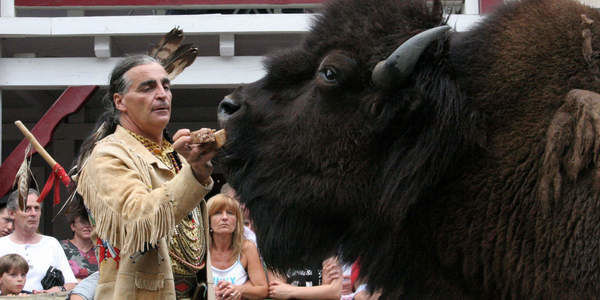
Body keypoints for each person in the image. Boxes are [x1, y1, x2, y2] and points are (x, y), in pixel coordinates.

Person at [72, 54, 217, 300]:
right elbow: (138, 222)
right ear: (120, 101)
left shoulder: (176, 156)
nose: (162, 94)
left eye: (166, 86)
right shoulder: (108, 155)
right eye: (148, 88)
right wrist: (192, 173)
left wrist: (198, 168)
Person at [0, 188, 77, 293]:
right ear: (12, 213)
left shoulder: (51, 244)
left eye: (37, 208)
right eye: (27, 208)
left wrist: (58, 289)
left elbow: (71, 283)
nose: (33, 213)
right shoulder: (2, 245)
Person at [207, 194, 267, 300]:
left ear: (237, 221)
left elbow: (262, 289)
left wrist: (239, 289)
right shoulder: (200, 249)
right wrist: (209, 292)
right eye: (217, 213)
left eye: (230, 213)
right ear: (208, 221)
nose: (225, 217)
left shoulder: (247, 247)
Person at [268, 257, 343, 300]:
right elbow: (276, 291)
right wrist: (323, 290)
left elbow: (334, 293)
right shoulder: (278, 252)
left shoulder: (328, 254)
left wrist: (289, 291)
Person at [61, 203, 98, 281]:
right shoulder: (60, 248)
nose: (87, 226)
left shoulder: (101, 250)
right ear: (73, 226)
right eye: (83, 222)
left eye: (91, 222)